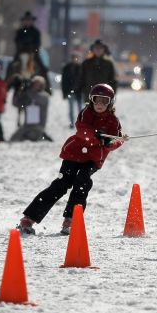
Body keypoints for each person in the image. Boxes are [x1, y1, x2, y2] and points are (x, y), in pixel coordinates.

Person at [17, 83, 125, 236]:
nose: (100, 105)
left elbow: (116, 139)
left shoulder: (113, 121)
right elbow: (82, 130)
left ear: (111, 103)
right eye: (97, 100)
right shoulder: (85, 113)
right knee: (61, 184)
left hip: (92, 159)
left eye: (104, 101)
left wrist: (110, 143)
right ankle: (29, 218)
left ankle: (71, 219)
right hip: (74, 154)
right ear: (91, 100)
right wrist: (97, 135)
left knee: (82, 182)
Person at [10, 75, 51, 142]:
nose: (36, 86)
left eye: (38, 84)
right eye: (35, 84)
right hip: (27, 125)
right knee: (13, 139)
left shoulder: (44, 96)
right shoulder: (27, 95)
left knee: (31, 137)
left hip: (38, 126)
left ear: (42, 85)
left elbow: (36, 96)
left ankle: (42, 135)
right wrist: (18, 90)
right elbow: (16, 103)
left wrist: (28, 90)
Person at [61, 52, 82, 127]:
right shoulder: (66, 68)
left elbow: (83, 80)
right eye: (74, 58)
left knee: (80, 109)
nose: (75, 59)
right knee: (71, 109)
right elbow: (64, 81)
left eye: (76, 58)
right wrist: (64, 93)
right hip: (70, 91)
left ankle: (80, 123)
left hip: (79, 91)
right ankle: (72, 123)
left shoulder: (81, 67)